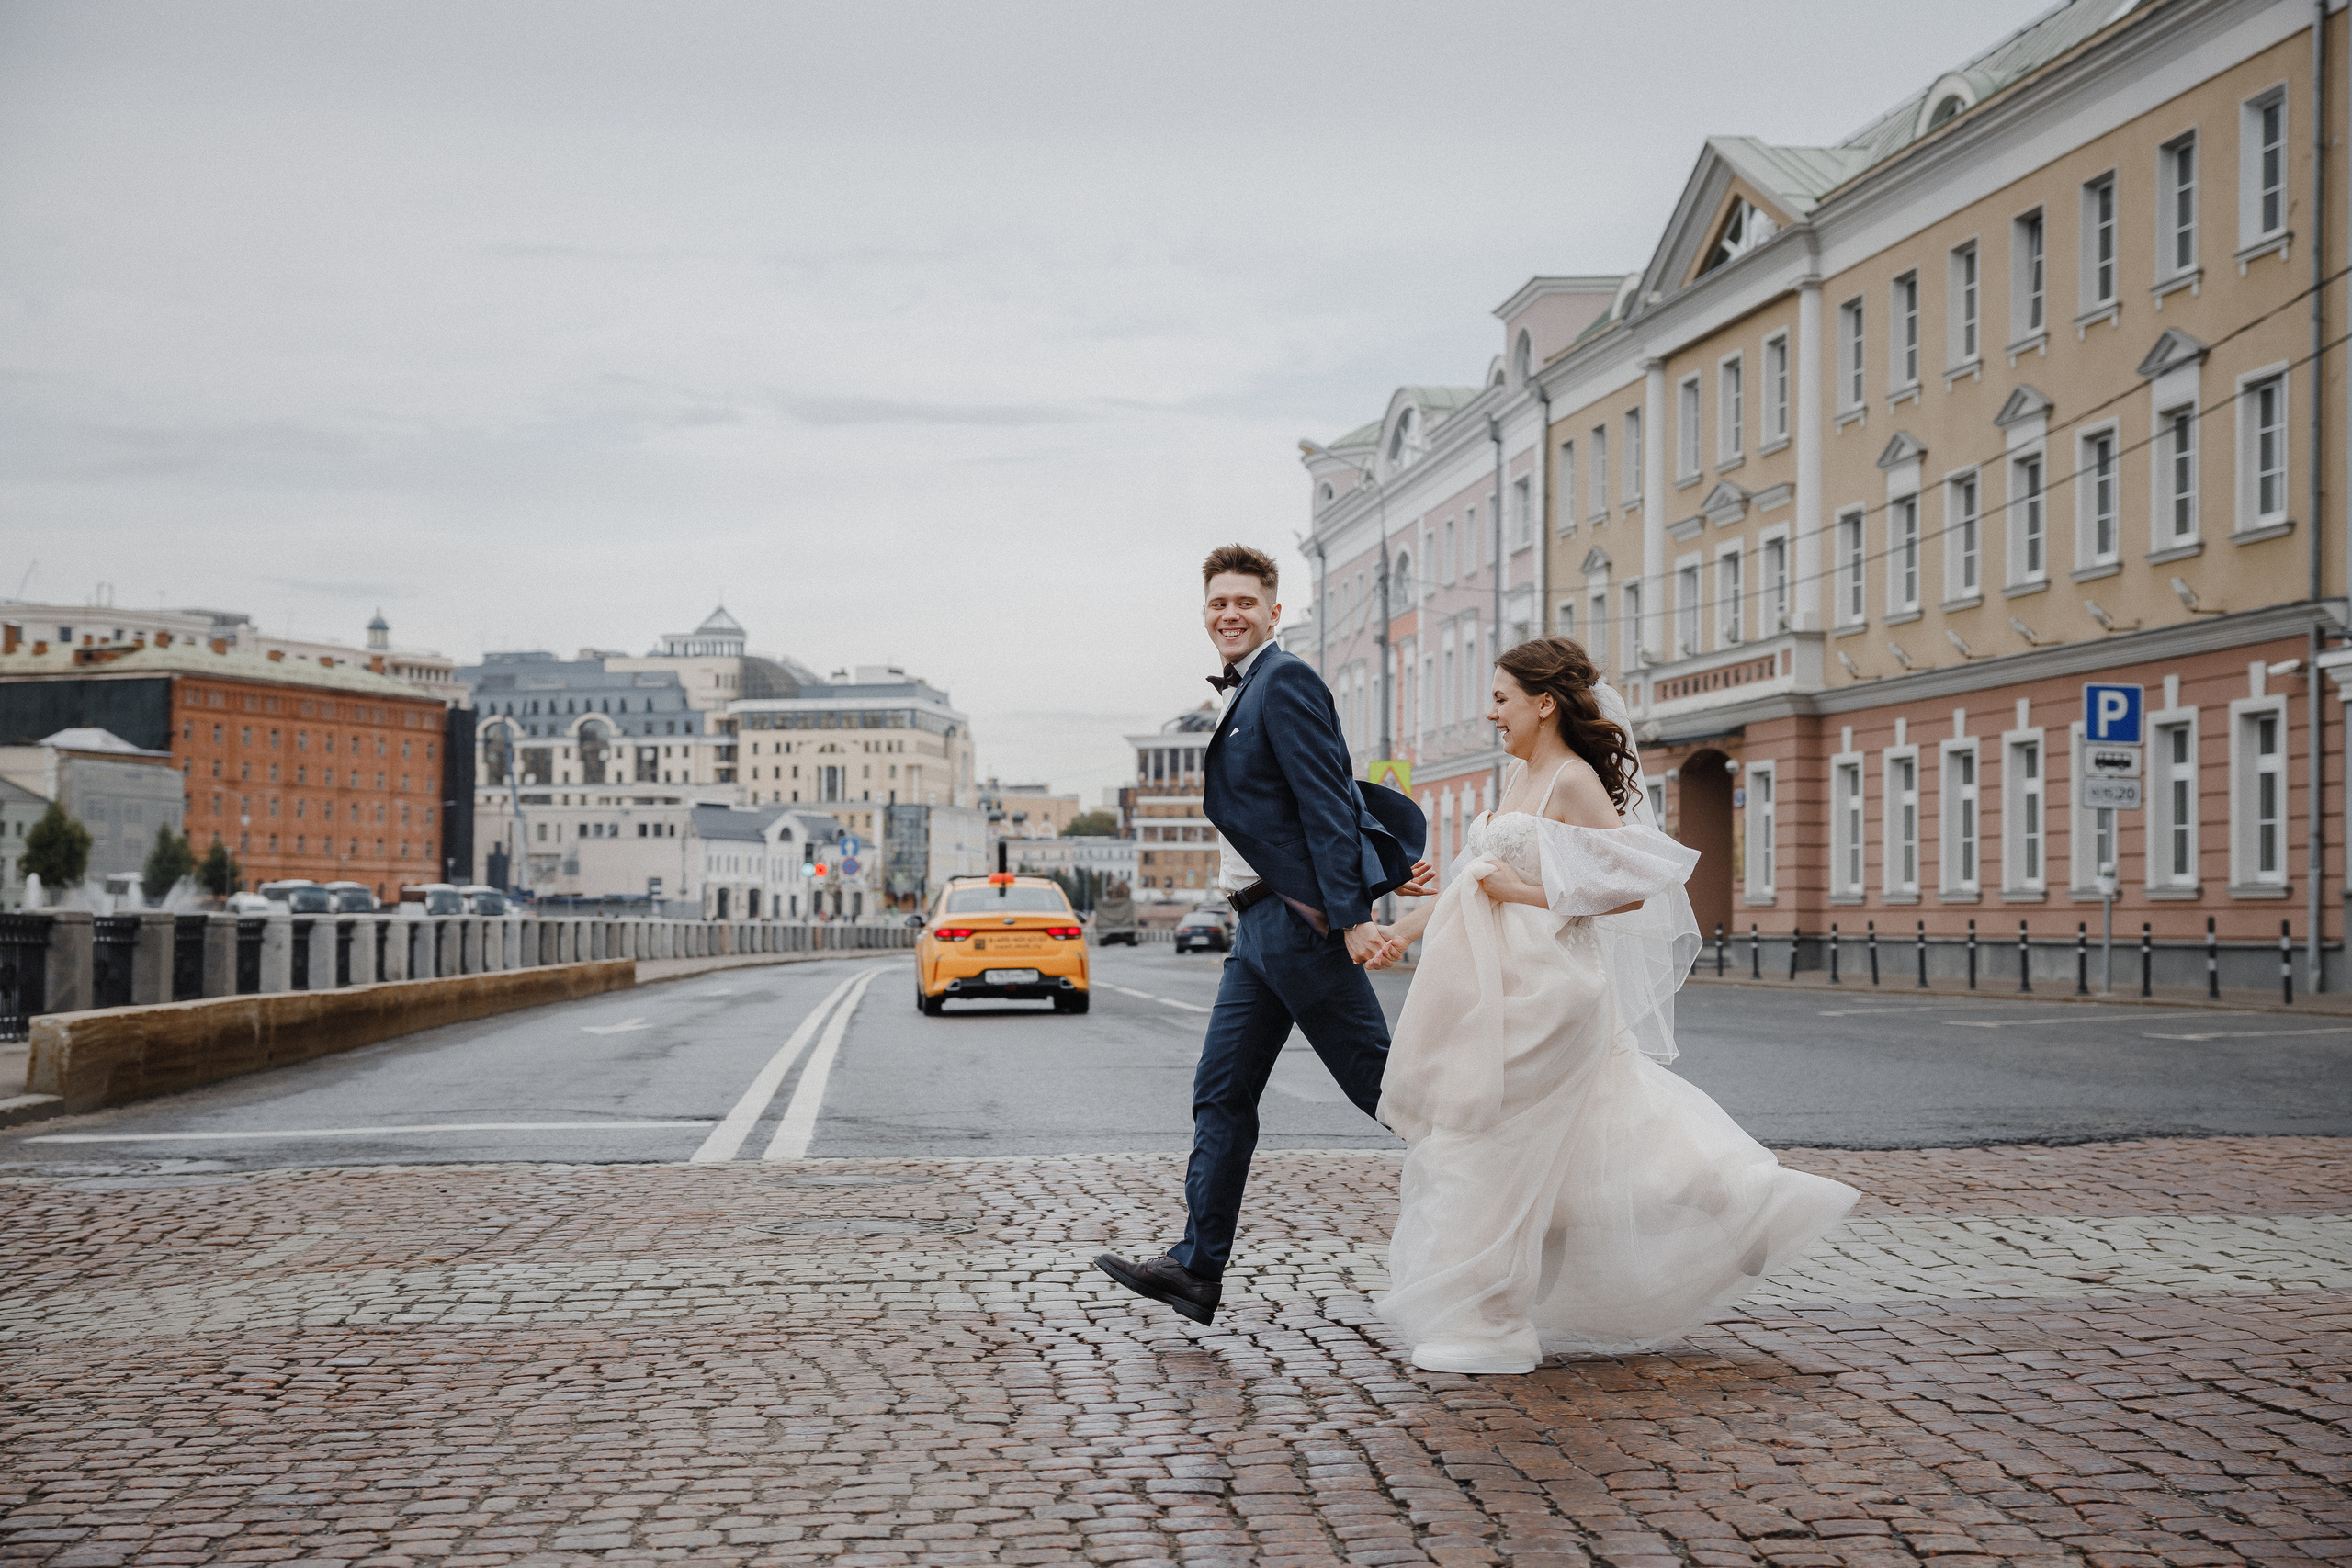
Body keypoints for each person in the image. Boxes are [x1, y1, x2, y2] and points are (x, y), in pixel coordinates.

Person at [1364, 636, 1857, 1374]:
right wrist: (1400, 932)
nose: (1490, 712)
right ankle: (1733, 1201)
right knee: (1598, 1129)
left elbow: (1629, 881)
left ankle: (1492, 1315)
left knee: (1495, 1141)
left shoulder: (1570, 779)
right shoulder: (1520, 773)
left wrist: (1522, 893)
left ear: (1544, 702)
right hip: (1503, 984)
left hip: (1554, 986)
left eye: (1500, 698)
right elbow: (1474, 874)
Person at [1095, 543, 1431, 1325]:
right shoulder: (1244, 692)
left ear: (1273, 611)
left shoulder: (1285, 680)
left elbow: (1325, 799)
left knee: (1386, 1089)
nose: (1230, 614)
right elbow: (1316, 802)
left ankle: (1501, 1187)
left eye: (1245, 601)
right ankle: (1196, 1268)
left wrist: (1351, 916)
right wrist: (1379, 870)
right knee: (1221, 1092)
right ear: (1204, 613)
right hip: (1253, 928)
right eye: (1218, 603)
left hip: (1297, 921)